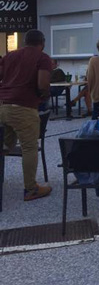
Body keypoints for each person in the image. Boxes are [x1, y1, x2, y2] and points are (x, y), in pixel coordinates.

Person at [0, 29, 52, 201]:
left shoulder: (9, 56)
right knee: (29, 147)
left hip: (4, 106)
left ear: (25, 42)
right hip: (24, 108)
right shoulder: (42, 57)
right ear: (42, 42)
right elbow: (43, 84)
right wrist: (44, 96)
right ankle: (31, 189)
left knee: (5, 146)